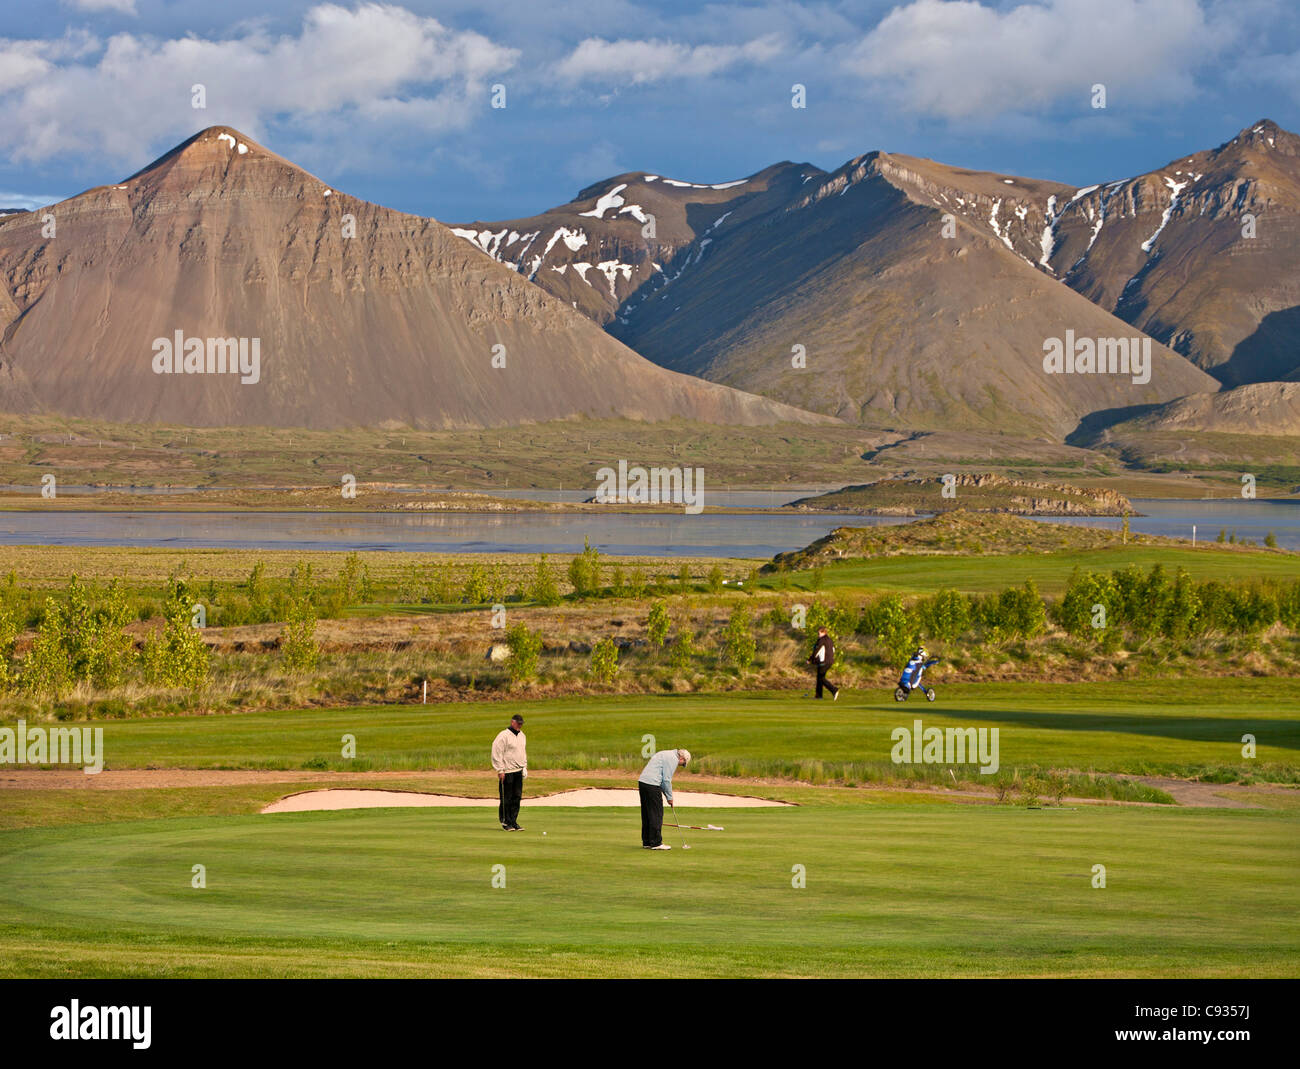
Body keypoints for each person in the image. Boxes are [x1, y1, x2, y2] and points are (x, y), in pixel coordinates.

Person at [638, 748, 690, 849]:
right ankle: (656, 843)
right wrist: (670, 798)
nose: (680, 765)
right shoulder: (673, 759)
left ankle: (647, 841)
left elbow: (661, 779)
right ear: (682, 758)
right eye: (682, 764)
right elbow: (666, 780)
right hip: (652, 784)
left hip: (643, 782)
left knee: (647, 813)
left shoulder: (665, 753)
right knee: (657, 813)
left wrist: (667, 796)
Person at [491, 714, 527, 831]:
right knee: (507, 797)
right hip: (507, 771)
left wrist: (524, 767)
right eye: (518, 723)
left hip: (518, 770)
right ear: (512, 722)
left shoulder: (522, 736)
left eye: (521, 724)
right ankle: (506, 822)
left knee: (517, 797)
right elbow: (497, 752)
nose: (520, 726)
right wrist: (500, 770)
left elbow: (523, 752)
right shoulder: (503, 735)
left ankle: (513, 821)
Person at [808, 625, 839, 700]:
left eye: (819, 633)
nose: (818, 635)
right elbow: (833, 650)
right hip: (830, 661)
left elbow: (816, 650)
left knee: (821, 678)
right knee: (819, 678)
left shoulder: (821, 640)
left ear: (824, 632)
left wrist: (810, 659)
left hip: (824, 662)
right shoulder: (830, 640)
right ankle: (819, 696)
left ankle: (834, 690)